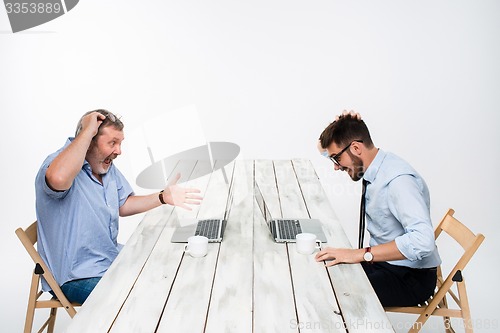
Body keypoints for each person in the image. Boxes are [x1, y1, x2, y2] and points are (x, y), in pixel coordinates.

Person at [35, 109, 202, 304]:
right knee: (144, 297)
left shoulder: (105, 167)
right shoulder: (57, 164)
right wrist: (87, 130)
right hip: (74, 277)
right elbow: (59, 178)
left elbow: (123, 204)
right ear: (88, 140)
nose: (119, 151)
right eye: (112, 143)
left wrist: (163, 197)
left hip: (108, 259)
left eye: (120, 143)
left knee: (164, 268)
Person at [315, 111, 441, 307]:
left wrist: (360, 254)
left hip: (410, 278)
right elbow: (324, 149)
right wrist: (336, 129)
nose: (336, 167)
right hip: (384, 264)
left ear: (356, 148)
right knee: (324, 274)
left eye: (336, 159)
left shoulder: (398, 182)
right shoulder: (376, 164)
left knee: (334, 295)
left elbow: (423, 241)